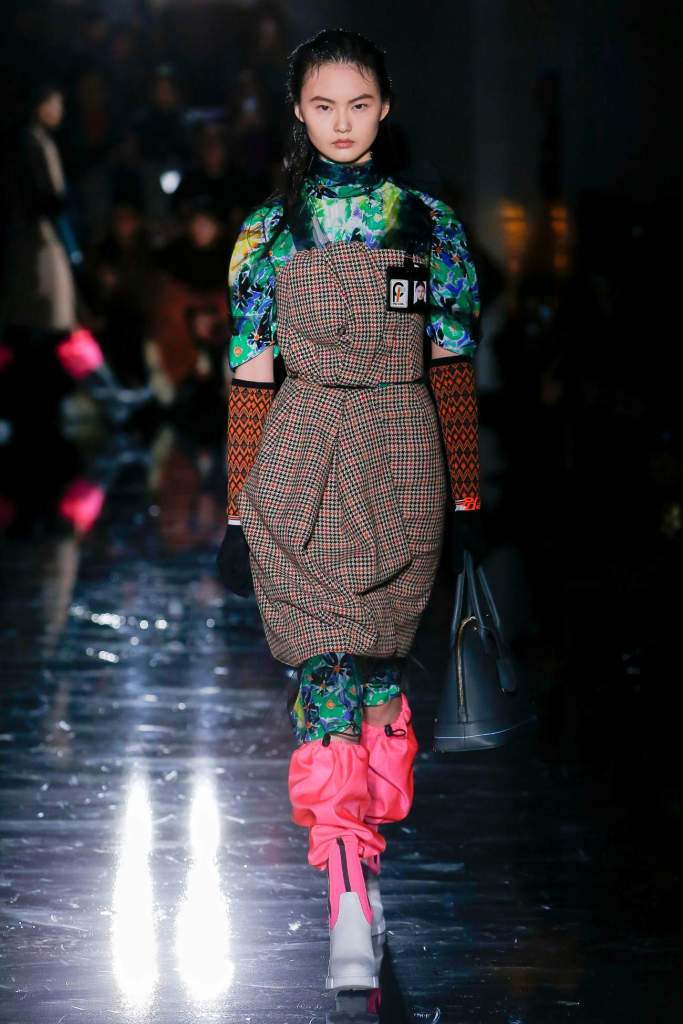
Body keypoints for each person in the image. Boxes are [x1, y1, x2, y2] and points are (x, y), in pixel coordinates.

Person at [217, 29, 481, 995]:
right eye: (322, 105)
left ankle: (360, 873)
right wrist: (237, 513)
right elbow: (251, 376)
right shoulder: (267, 233)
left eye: (358, 104)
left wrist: (466, 495)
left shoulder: (426, 225)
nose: (340, 123)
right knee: (325, 675)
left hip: (401, 458)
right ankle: (345, 906)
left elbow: (448, 362)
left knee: (375, 680)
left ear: (384, 107)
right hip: (297, 459)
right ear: (298, 110)